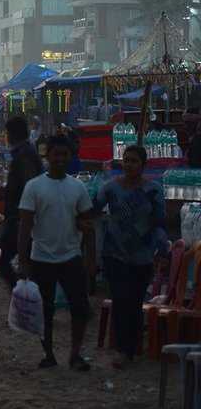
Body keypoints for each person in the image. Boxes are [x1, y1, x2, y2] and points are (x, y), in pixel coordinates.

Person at [18, 135, 93, 371]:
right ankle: (48, 354)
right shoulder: (34, 187)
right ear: (47, 156)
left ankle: (75, 354)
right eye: (56, 154)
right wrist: (23, 260)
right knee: (45, 310)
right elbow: (25, 226)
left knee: (79, 308)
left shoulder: (78, 187)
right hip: (41, 257)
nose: (60, 159)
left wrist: (91, 259)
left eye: (64, 155)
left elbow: (87, 223)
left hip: (71, 256)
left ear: (70, 157)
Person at [91, 145, 167, 368]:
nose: (129, 164)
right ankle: (123, 349)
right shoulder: (110, 188)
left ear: (143, 165)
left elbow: (160, 220)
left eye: (134, 161)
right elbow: (94, 208)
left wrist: (161, 248)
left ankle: (131, 348)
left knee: (134, 302)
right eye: (126, 160)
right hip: (114, 254)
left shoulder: (153, 190)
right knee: (120, 300)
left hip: (142, 256)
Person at [0, 116, 43, 289]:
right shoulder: (25, 152)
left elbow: (29, 187)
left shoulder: (24, 156)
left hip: (20, 219)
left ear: (12, 134)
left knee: (3, 260)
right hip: (20, 218)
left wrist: (23, 219)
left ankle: (23, 293)